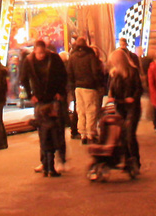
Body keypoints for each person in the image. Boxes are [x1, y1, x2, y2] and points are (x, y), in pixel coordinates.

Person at [21, 40, 69, 177]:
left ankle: (61, 159)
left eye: (43, 53)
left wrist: (61, 92)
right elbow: (23, 79)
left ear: (46, 50)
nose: (41, 55)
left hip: (54, 98)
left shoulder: (54, 58)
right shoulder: (29, 61)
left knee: (57, 130)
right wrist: (30, 95)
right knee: (43, 132)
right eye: (38, 53)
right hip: (40, 100)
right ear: (34, 51)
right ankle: (45, 162)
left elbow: (63, 76)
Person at [106, 48, 143, 166]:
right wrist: (111, 97)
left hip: (132, 107)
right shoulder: (114, 74)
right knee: (121, 134)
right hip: (120, 106)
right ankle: (127, 160)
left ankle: (135, 159)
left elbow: (139, 89)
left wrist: (133, 97)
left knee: (130, 134)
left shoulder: (133, 72)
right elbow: (111, 90)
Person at [67, 36, 105, 143]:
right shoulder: (90, 56)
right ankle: (90, 133)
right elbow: (95, 72)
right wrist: (99, 85)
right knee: (91, 110)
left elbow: (69, 73)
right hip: (90, 87)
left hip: (77, 88)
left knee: (81, 111)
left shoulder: (72, 57)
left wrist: (72, 86)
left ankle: (82, 133)